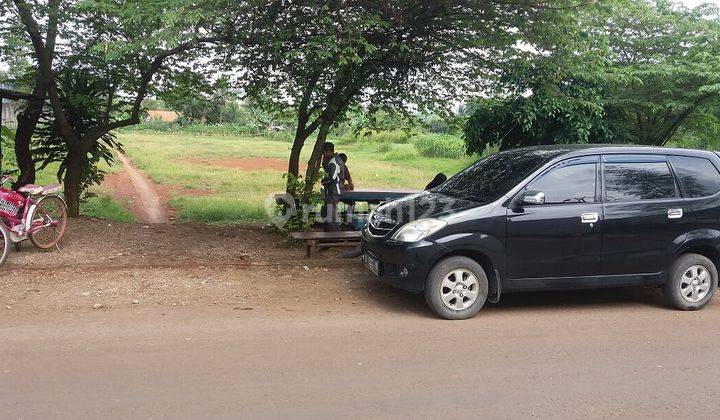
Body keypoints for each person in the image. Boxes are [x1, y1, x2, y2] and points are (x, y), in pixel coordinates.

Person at [320, 142, 345, 232]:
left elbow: (331, 178)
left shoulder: (334, 162)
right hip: (332, 191)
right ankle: (328, 237)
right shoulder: (336, 159)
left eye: (323, 153)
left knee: (331, 217)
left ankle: (335, 238)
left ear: (327, 151)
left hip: (333, 192)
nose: (323, 155)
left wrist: (322, 181)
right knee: (326, 214)